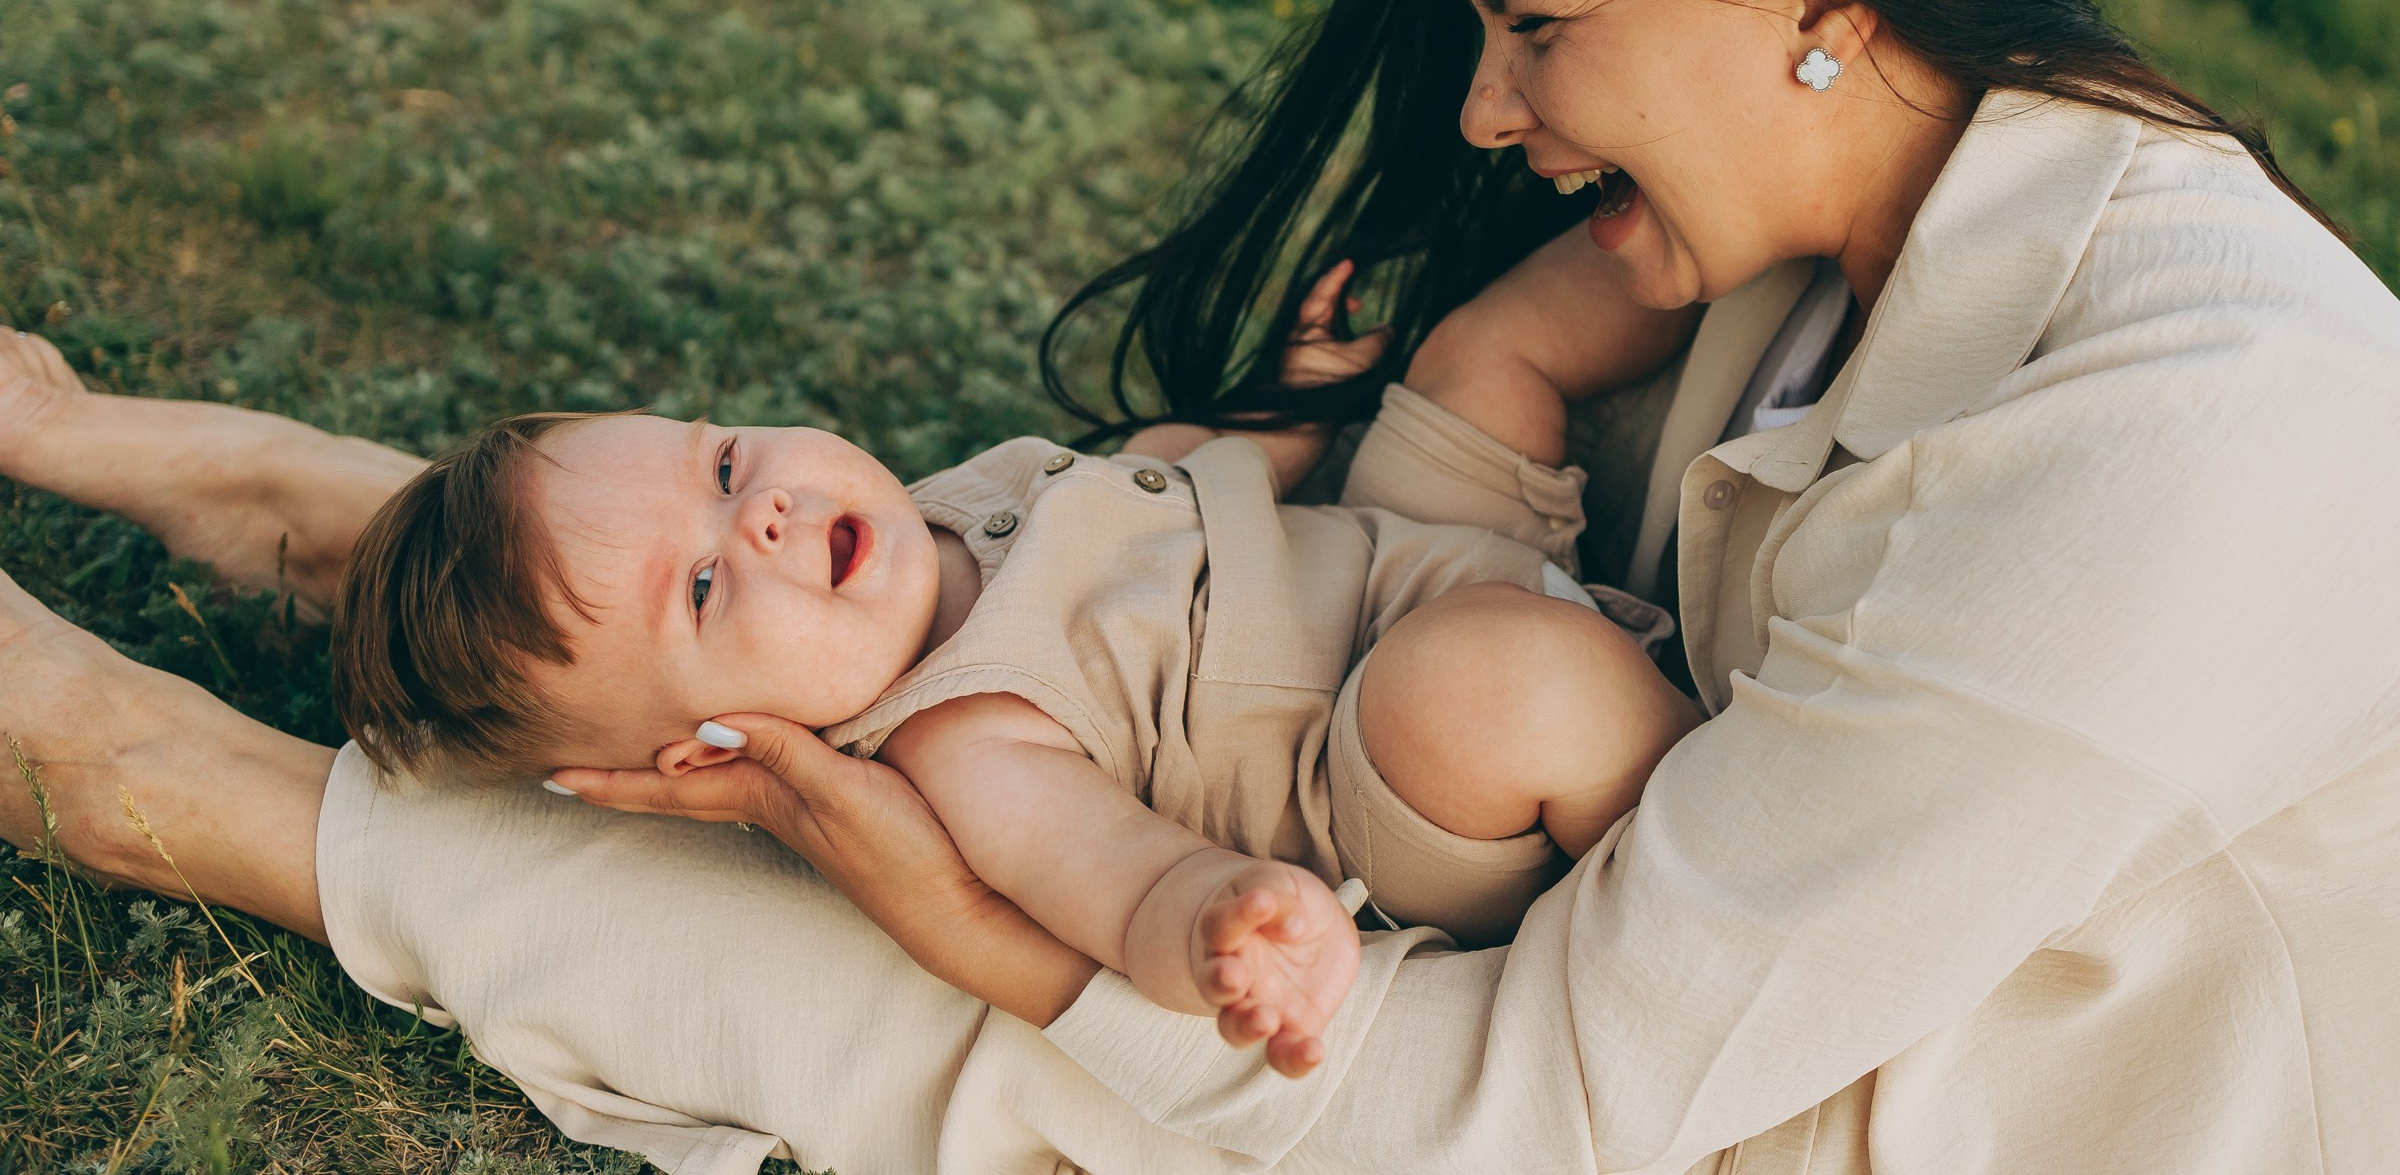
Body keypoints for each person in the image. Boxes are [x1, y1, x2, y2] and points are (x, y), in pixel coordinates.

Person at [4, 0, 2396, 1171]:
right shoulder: (1833, 216)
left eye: (1536, 21)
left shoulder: (2177, 453)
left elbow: (1540, 1106)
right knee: (807, 647)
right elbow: (1419, 478)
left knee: (957, 965)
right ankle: (314, 513)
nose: (1479, 108)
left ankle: (153, 779)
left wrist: (1022, 934)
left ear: (1820, 2)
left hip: (1867, 1108)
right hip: (1559, 894)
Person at [321, 252, 1692, 1073]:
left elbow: (1167, 478)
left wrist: (1286, 399)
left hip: (1414, 556)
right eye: (701, 585)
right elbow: (1120, 879)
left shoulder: (950, 499)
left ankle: (1719, 244)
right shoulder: (963, 743)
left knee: (1492, 347)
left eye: (724, 464)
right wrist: (1226, 920)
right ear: (712, 746)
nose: (765, 517)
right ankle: (1733, 806)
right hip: (1396, 760)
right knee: (1493, 683)